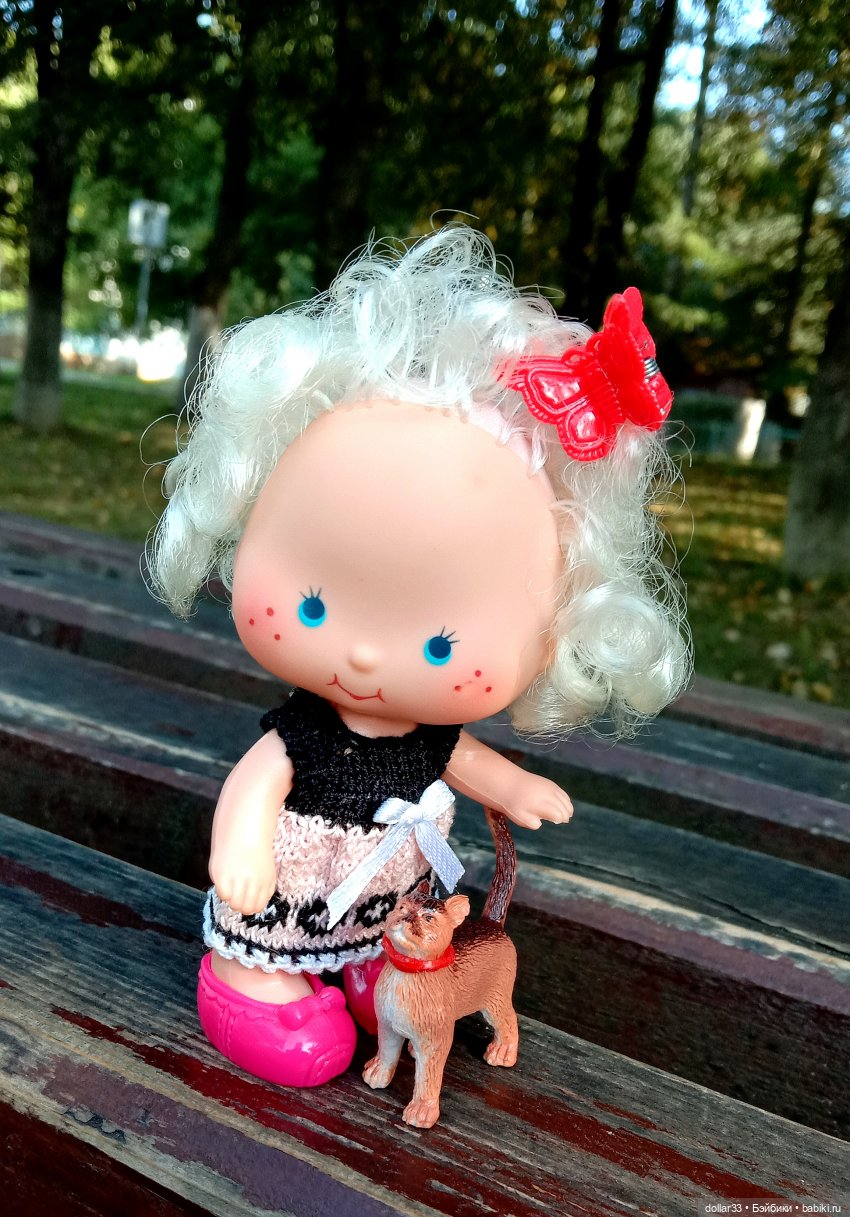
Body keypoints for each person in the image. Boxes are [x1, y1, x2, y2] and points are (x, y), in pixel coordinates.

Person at [148, 224, 690, 1087]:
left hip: (385, 900)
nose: (364, 654)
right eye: (313, 603)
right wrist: (241, 843)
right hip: (285, 895)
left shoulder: (426, 737)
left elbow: (460, 757)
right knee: (277, 946)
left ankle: (366, 961)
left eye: (441, 644)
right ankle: (247, 978)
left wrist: (511, 787)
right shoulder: (306, 734)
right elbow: (259, 779)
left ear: (555, 631)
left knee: (395, 948)